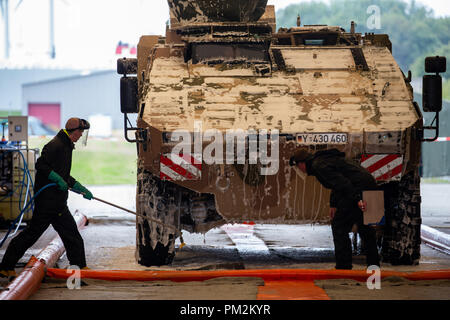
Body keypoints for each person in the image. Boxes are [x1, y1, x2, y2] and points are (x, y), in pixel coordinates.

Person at [0, 118, 93, 280]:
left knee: (70, 235)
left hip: (57, 202)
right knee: (34, 235)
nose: (81, 135)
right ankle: (5, 267)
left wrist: (79, 187)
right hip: (48, 202)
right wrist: (56, 178)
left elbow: (63, 175)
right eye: (80, 132)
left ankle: (80, 268)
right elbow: (41, 165)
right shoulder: (56, 145)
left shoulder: (66, 145)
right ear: (74, 131)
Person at [290, 148, 380, 269]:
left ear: (302, 163)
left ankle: (344, 266)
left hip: (358, 188)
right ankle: (374, 266)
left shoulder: (318, 166)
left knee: (339, 226)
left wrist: (357, 199)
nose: (300, 170)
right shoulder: (321, 161)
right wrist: (334, 204)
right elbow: (337, 183)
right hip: (368, 183)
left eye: (298, 166)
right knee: (365, 228)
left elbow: (343, 184)